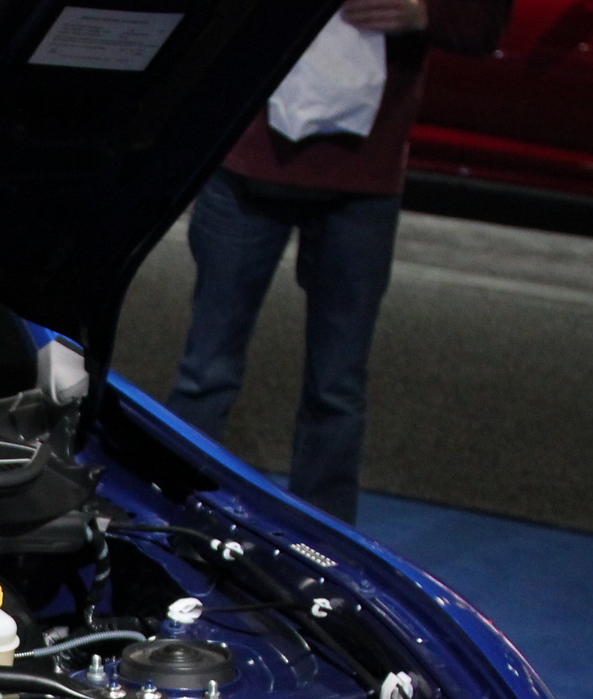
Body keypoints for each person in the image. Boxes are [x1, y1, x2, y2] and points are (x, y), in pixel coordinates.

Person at [165, 0, 511, 522]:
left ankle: (322, 547)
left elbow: (484, 25)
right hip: (244, 162)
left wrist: (423, 13)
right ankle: (172, 517)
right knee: (207, 371)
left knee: (336, 387)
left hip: (362, 181)